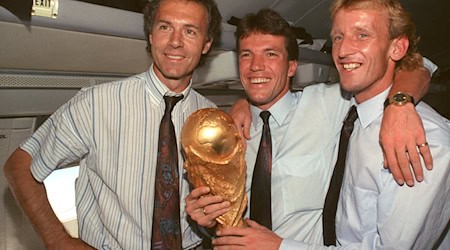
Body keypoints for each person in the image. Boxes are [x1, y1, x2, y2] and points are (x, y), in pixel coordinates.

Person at [185, 7, 438, 250]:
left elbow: (416, 65)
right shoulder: (224, 134)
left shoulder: (329, 104)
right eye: (246, 54)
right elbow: (222, 221)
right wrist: (205, 222)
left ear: (292, 67)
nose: (256, 66)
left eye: (271, 54)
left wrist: (400, 104)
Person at [3, 0, 221, 249]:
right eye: (164, 27)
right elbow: (19, 166)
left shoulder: (213, 118)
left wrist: (211, 222)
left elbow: (216, 209)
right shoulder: (96, 104)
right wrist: (58, 240)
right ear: (150, 35)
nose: (175, 41)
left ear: (206, 44)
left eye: (190, 31)